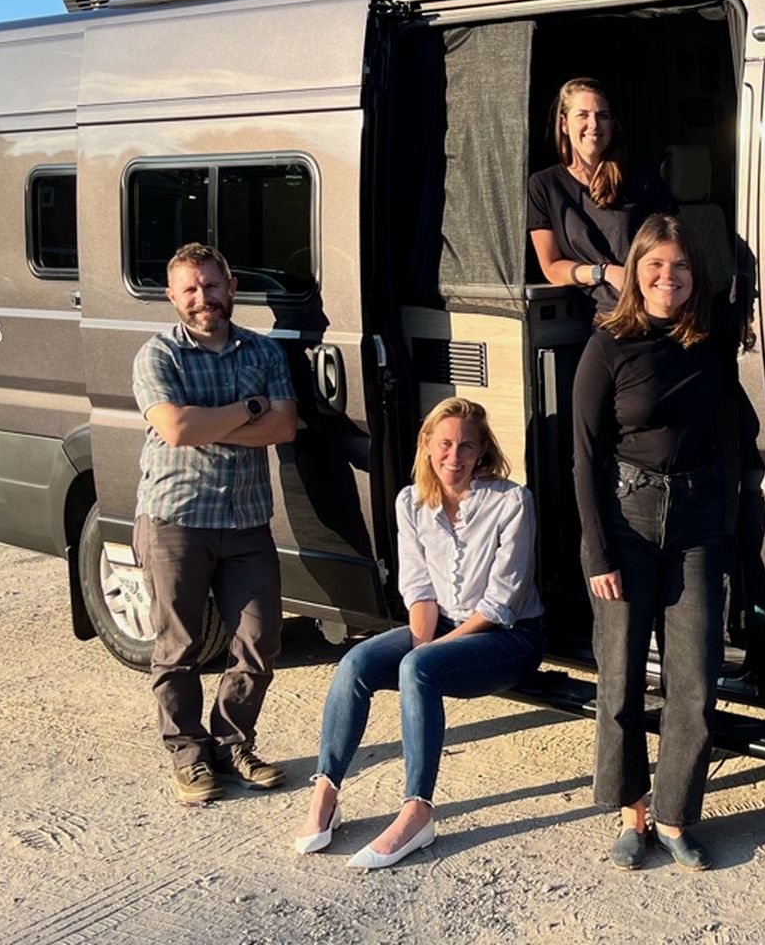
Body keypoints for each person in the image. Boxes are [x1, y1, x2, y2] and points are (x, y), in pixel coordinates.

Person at [294, 397, 544, 869]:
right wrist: (424, 641)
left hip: (509, 636)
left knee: (419, 666)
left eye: (467, 446)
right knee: (356, 664)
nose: (455, 456)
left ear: (483, 450)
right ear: (427, 445)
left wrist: (428, 653)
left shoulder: (512, 501)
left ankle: (417, 812)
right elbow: (419, 587)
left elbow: (502, 600)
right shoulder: (411, 501)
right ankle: (326, 793)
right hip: (442, 624)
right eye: (445, 444)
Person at [572, 213, 735, 872]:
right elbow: (583, 457)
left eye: (681, 267)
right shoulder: (609, 344)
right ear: (636, 273)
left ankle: (674, 817)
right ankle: (631, 814)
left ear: (696, 275)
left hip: (695, 519)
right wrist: (596, 553)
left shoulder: (712, 336)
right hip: (627, 518)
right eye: (655, 267)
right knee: (620, 683)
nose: (669, 278)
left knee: (694, 681)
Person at [131, 242, 299, 805]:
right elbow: (176, 429)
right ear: (173, 297)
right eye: (191, 289)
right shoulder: (158, 357)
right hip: (177, 518)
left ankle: (234, 744)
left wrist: (213, 423)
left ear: (230, 286)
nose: (204, 298)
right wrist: (250, 409)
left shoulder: (263, 352)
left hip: (247, 520)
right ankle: (187, 756)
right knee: (179, 646)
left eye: (212, 285)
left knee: (259, 639)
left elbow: (285, 427)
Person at [528, 77, 675, 315]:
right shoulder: (544, 185)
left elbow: (671, 250)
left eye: (602, 115)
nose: (594, 124)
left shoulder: (642, 180)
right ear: (564, 124)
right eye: (583, 115)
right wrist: (605, 272)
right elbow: (552, 267)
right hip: (599, 316)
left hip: (652, 308)